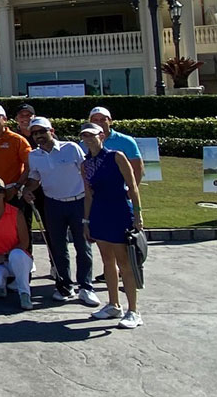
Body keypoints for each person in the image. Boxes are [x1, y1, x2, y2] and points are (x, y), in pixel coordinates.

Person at [23, 116, 99, 306]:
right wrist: (26, 190)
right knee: (58, 247)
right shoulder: (34, 156)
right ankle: (64, 286)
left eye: (42, 131)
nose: (39, 136)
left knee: (83, 246)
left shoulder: (70, 148)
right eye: (35, 133)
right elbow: (34, 179)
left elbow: (86, 173)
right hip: (53, 204)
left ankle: (86, 287)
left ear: (52, 131)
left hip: (78, 202)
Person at [80, 122, 145, 329]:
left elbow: (132, 187)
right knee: (107, 261)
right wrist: (86, 221)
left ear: (101, 135)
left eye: (92, 135)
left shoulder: (116, 156)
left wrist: (137, 214)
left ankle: (133, 310)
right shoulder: (85, 164)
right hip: (99, 213)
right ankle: (113, 304)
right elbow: (88, 195)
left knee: (124, 263)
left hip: (118, 211)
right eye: (85, 136)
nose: (89, 139)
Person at [0, 177, 34, 310]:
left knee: (16, 255)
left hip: (17, 258)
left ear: (4, 193)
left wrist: (4, 256)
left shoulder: (16, 212)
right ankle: (2, 284)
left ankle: (24, 294)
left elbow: (25, 242)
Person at [86, 106, 145, 187]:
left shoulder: (126, 141)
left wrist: (131, 190)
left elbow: (137, 168)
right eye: (95, 120)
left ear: (110, 121)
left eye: (103, 119)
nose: (99, 123)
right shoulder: (83, 143)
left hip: (120, 192)